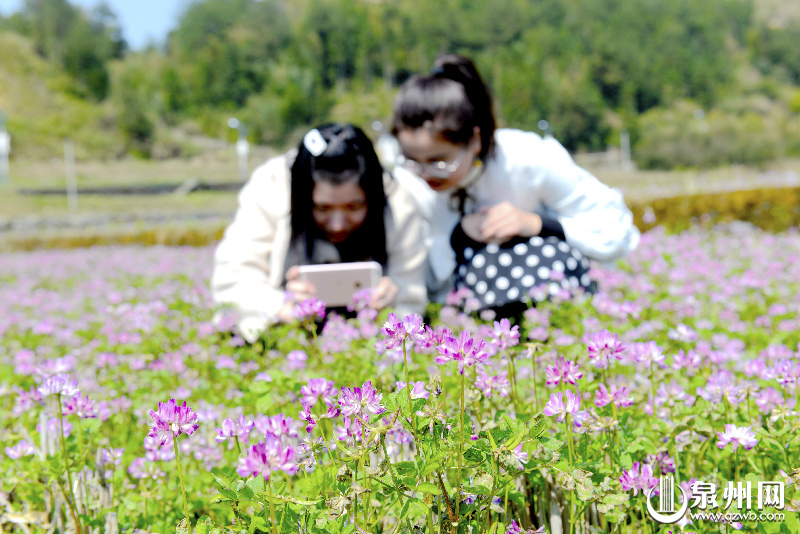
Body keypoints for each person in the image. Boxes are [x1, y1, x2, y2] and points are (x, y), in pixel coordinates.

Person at [391, 54, 640, 312]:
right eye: (411, 159)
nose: (425, 173)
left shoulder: (526, 159)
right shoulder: (407, 183)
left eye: (439, 161)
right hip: (468, 320)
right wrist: (459, 235)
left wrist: (536, 224)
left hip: (556, 306)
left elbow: (615, 230)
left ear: (475, 140)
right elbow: (415, 278)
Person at [211, 123, 427, 342]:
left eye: (353, 207)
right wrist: (282, 306)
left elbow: (412, 297)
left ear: (372, 198)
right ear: (304, 200)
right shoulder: (271, 187)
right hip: (281, 340)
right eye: (323, 208)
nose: (337, 225)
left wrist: (391, 303)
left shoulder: (397, 202)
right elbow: (233, 282)